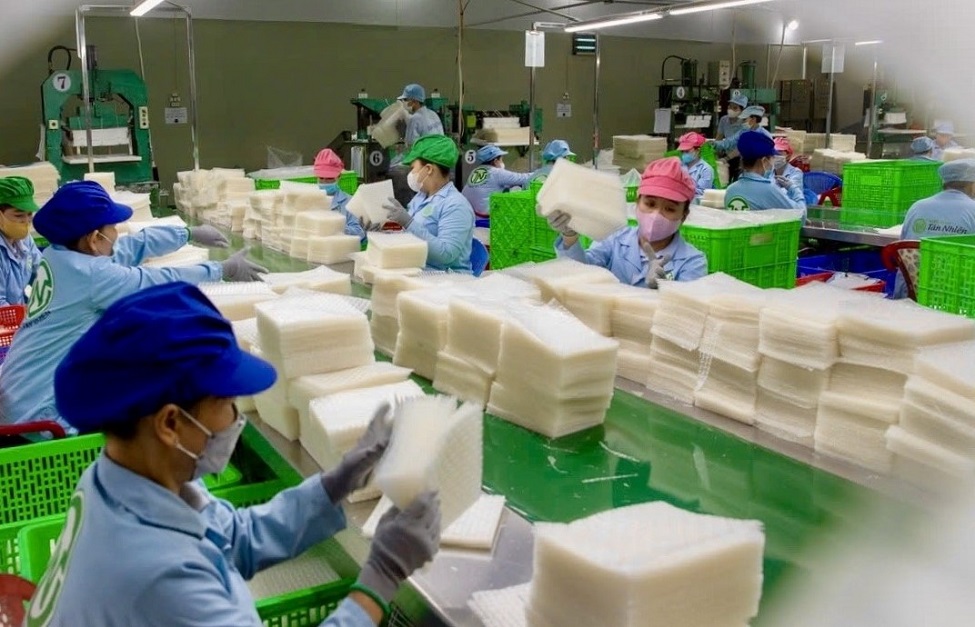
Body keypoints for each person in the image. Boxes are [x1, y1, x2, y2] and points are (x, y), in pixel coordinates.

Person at [24, 281, 441, 626]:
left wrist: (334, 484)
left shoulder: (126, 478)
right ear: (170, 423)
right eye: (227, 403)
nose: (235, 419)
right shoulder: (158, 577)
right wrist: (379, 579)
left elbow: (235, 537)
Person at [0, 181, 266, 434]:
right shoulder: (93, 275)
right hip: (41, 414)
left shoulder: (60, 255)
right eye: (113, 227)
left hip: (18, 392)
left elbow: (128, 247)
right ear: (94, 238)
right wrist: (220, 269)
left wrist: (186, 233)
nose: (116, 234)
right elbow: (154, 281)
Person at [547, 158, 707, 288]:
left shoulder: (693, 261)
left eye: (670, 209)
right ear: (637, 203)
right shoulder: (615, 238)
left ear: (683, 216)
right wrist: (569, 236)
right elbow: (582, 274)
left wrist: (663, 289)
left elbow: (684, 311)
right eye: (650, 204)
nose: (656, 215)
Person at [379, 135, 475, 273]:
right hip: (419, 270)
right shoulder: (420, 197)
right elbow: (407, 233)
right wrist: (381, 227)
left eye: (413, 168)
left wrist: (408, 223)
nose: (411, 174)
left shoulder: (456, 205)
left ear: (429, 169)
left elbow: (446, 254)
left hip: (447, 279)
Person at [723, 132, 806, 213]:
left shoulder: (731, 190)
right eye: (772, 158)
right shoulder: (769, 190)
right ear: (764, 161)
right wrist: (793, 188)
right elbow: (800, 214)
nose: (773, 161)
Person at [901, 159, 975, 239]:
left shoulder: (917, 207)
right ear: (972, 185)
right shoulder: (972, 209)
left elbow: (904, 241)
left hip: (920, 248)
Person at [0, 176, 42, 306]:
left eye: (29, 214)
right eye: (19, 215)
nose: (26, 221)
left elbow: (42, 269)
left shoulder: (24, 240)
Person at [461, 144, 534, 217]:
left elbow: (490, 185)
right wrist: (539, 172)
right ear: (495, 161)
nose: (502, 162)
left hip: (470, 215)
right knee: (516, 190)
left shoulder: (475, 171)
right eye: (501, 159)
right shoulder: (496, 172)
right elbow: (522, 178)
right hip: (486, 218)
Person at [314, 148, 365, 241]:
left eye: (329, 178)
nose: (324, 182)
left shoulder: (350, 202)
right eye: (321, 178)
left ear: (339, 177)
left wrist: (338, 228)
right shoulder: (309, 199)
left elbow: (359, 232)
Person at [399, 83, 444, 151]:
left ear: (414, 101)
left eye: (405, 100)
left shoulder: (414, 119)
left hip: (426, 155)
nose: (403, 102)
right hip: (440, 153)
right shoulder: (433, 114)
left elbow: (410, 146)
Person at [716, 94, 748, 183]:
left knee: (737, 181)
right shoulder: (724, 120)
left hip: (740, 158)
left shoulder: (745, 125)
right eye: (730, 106)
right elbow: (719, 138)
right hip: (726, 154)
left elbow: (740, 147)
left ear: (742, 110)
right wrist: (716, 153)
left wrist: (726, 158)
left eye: (735, 108)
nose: (731, 109)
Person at [677, 132, 714, 201]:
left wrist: (681, 189)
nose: (684, 154)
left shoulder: (706, 169)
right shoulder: (678, 166)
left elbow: (703, 192)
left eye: (687, 151)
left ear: (698, 150)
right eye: (682, 151)